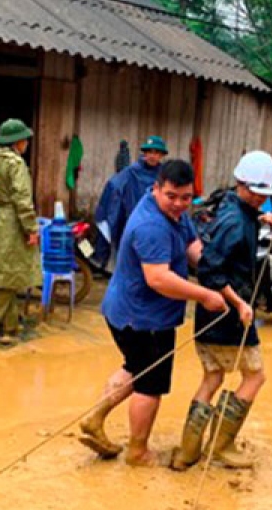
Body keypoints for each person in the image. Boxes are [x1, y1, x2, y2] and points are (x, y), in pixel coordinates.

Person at [81, 159, 227, 466]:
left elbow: (192, 246)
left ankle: (95, 418)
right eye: (171, 196)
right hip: (142, 318)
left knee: (136, 367)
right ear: (156, 188)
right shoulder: (151, 225)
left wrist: (214, 271)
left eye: (186, 198)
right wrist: (205, 295)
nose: (178, 204)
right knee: (150, 385)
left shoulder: (176, 214)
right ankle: (138, 451)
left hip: (128, 310)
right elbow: (159, 278)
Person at [171, 151, 272, 471]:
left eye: (266, 194)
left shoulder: (231, 205)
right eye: (259, 193)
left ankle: (187, 452)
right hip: (229, 315)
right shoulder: (234, 221)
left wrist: (263, 218)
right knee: (256, 376)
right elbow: (211, 271)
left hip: (210, 316)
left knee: (213, 376)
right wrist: (241, 303)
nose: (262, 199)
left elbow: (237, 222)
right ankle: (221, 445)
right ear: (243, 185)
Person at [0, 119, 40, 344]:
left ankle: (10, 326)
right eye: (25, 140)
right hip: (13, 222)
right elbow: (23, 199)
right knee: (5, 278)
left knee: (7, 274)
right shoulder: (15, 164)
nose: (26, 144)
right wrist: (31, 228)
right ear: (17, 142)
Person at [93, 135, 169, 268]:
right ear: (144, 153)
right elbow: (113, 186)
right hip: (133, 219)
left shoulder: (164, 174)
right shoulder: (131, 172)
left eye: (156, 152)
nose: (152, 156)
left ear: (161, 155)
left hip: (155, 220)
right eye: (149, 152)